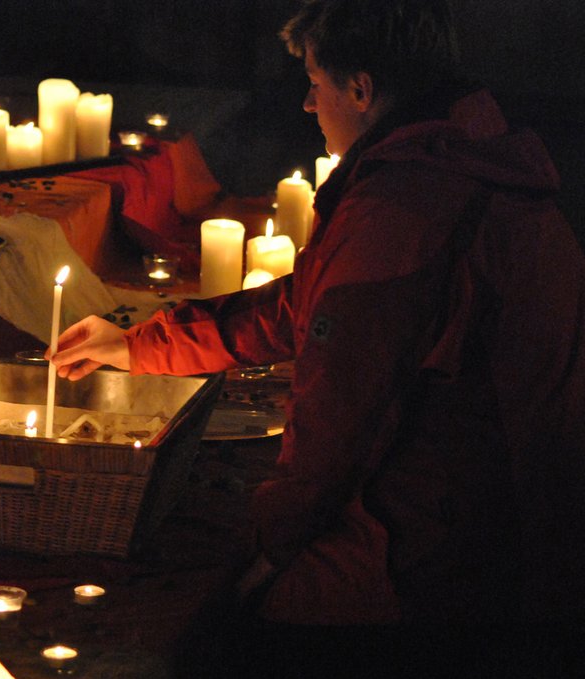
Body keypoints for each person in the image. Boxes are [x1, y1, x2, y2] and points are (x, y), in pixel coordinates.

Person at [49, 0, 585, 630]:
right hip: (512, 506)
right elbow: (308, 305)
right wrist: (139, 345)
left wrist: (269, 550)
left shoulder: (407, 210)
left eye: (314, 85)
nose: (308, 106)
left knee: (211, 625)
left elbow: (339, 417)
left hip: (464, 549)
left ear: (360, 89)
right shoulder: (461, 156)